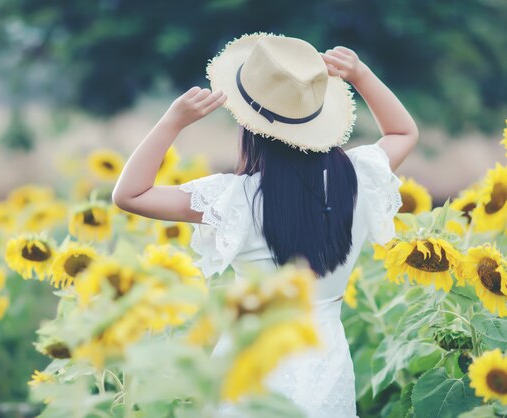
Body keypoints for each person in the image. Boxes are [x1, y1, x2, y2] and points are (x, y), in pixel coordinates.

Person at [112, 33, 418, 418]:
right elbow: (404, 132)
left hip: (250, 369)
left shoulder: (236, 198)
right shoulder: (357, 179)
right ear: (318, 120)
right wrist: (362, 75)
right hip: (328, 366)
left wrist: (172, 122)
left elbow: (130, 195)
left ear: (249, 128)